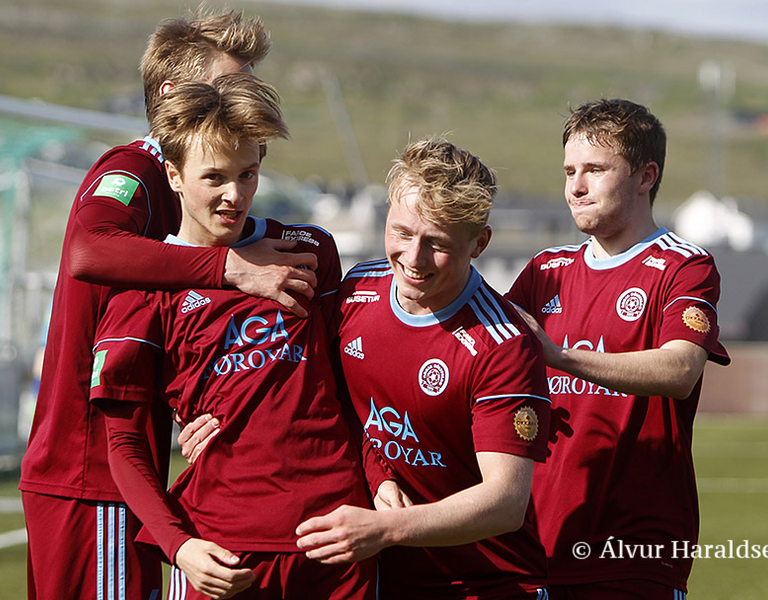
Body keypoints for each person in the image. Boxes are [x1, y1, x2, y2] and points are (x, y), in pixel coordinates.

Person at [19, 11, 318, 600]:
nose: (242, 101)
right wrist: (230, 268)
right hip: (91, 470)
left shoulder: (212, 204)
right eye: (230, 84)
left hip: (126, 470)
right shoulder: (133, 169)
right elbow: (88, 249)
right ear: (170, 93)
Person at [91, 74, 377, 600]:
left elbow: (352, 381)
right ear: (173, 175)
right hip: (223, 547)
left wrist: (379, 483)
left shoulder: (308, 249)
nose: (235, 195)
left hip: (339, 535)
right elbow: (124, 443)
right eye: (215, 178)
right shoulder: (142, 291)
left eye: (248, 174)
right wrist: (179, 546)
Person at [295, 136, 552, 600]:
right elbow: (331, 401)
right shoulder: (357, 290)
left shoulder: (504, 344)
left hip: (491, 585)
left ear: (479, 243)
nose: (413, 259)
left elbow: (505, 503)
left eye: (437, 244)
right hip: (386, 581)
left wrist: (387, 528)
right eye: (402, 232)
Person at [505, 99, 731, 600]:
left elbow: (680, 370)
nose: (576, 187)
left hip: (632, 555)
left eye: (595, 169)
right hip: (531, 545)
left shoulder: (684, 266)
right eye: (569, 171)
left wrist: (559, 355)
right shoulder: (545, 269)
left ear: (646, 176)